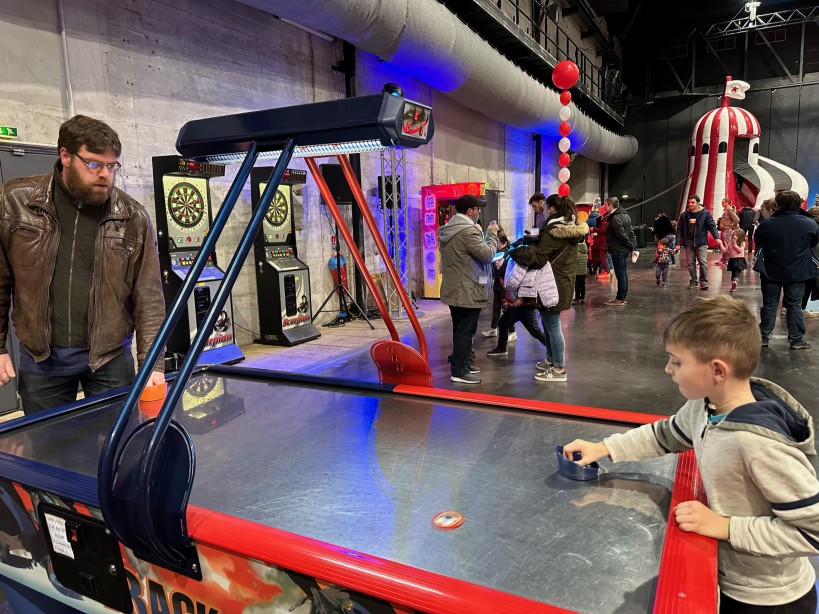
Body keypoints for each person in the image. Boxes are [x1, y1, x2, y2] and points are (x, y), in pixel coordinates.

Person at [562, 296, 819, 614]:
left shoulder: (759, 445)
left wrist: (726, 527)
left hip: (770, 598)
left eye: (677, 362)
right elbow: (665, 435)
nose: (667, 369)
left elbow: (812, 531)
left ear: (718, 370)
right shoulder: (705, 405)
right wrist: (604, 448)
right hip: (726, 578)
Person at [0, 115, 166, 414]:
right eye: (94, 164)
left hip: (109, 359)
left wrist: (153, 363)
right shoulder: (15, 202)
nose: (105, 174)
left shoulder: (132, 217)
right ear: (65, 155)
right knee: (48, 447)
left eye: (112, 166)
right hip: (42, 361)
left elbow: (149, 296)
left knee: (116, 449)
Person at [509, 194, 588, 382]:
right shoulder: (570, 228)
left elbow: (539, 257)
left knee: (552, 326)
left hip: (551, 284)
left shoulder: (554, 230)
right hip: (561, 281)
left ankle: (559, 368)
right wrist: (536, 240)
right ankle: (551, 359)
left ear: (552, 209)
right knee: (547, 322)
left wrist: (518, 253)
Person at [439, 194, 498, 384]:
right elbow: (487, 255)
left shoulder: (449, 230)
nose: (478, 212)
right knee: (466, 330)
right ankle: (459, 371)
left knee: (460, 329)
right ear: (470, 211)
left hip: (454, 288)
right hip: (467, 289)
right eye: (477, 209)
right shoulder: (468, 232)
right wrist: (492, 235)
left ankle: (463, 364)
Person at [754, 190, 818, 350]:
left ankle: (763, 337)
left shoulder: (767, 224)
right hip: (797, 271)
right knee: (794, 305)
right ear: (799, 204)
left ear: (778, 204)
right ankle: (796, 340)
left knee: (769, 304)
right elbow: (813, 243)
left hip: (770, 271)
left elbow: (759, 242)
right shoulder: (809, 224)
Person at [676, 194, 719, 290]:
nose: (690, 204)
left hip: (701, 241)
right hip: (688, 242)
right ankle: (693, 281)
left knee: (702, 262)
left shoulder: (705, 214)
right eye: (689, 203)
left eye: (692, 202)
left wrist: (716, 237)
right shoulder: (684, 215)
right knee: (690, 263)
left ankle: (703, 282)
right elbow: (679, 229)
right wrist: (677, 242)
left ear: (698, 203)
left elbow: (712, 226)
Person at [480, 228, 516, 342]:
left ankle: (512, 331)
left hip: (504, 285)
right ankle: (494, 328)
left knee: (506, 307)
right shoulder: (497, 253)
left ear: (502, 241)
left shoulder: (506, 252)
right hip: (498, 283)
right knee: (496, 307)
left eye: (497, 242)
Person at [603, 197, 638, 306]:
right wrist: (633, 246)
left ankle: (620, 298)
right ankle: (622, 297)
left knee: (621, 274)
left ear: (610, 205)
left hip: (618, 249)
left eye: (605, 205)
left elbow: (622, 235)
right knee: (623, 273)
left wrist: (632, 246)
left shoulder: (615, 218)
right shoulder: (626, 215)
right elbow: (631, 233)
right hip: (623, 249)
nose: (604, 207)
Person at [721, 228, 748, 293]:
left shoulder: (742, 243)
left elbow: (740, 250)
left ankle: (735, 280)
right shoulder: (730, 244)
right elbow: (724, 250)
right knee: (733, 274)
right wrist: (720, 244)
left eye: (736, 235)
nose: (734, 237)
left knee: (737, 272)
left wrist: (735, 245)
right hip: (732, 260)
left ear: (740, 237)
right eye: (733, 235)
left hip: (739, 260)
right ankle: (733, 285)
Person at [717, 201, 739, 267]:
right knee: (725, 244)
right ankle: (724, 259)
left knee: (727, 245)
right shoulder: (726, 210)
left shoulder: (729, 210)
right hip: (724, 229)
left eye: (723, 202)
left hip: (727, 230)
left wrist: (732, 227)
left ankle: (728, 260)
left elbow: (737, 219)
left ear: (727, 203)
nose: (722, 203)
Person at [573, 235, 589, 304]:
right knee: (582, 285)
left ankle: (577, 298)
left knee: (577, 286)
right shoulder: (585, 252)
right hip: (583, 272)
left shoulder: (576, 254)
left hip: (577, 272)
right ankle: (582, 298)